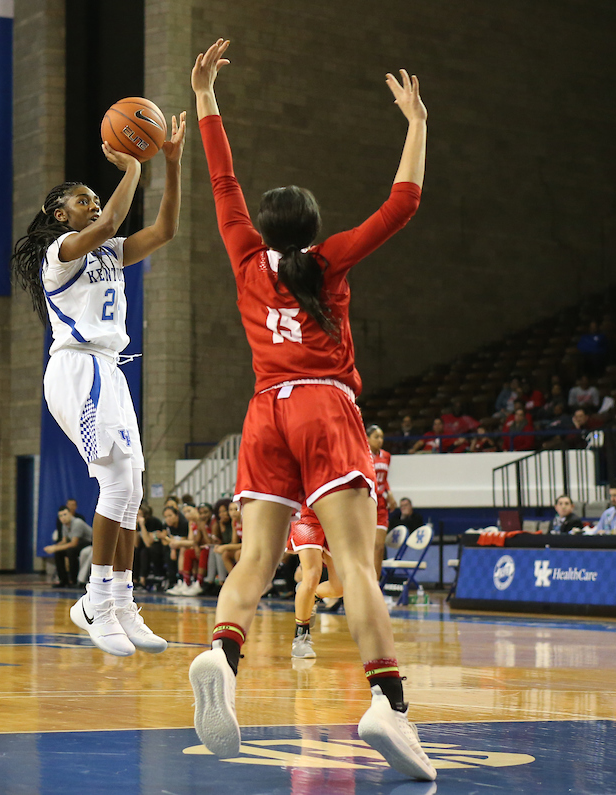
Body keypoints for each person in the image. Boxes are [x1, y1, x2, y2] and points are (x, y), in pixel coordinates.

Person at [185, 39, 435, 780]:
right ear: (314, 226)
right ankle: (387, 702)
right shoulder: (329, 262)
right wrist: (415, 122)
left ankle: (223, 656)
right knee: (357, 562)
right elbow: (404, 203)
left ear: (262, 229)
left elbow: (223, 179)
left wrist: (206, 98)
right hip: (324, 407)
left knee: (257, 558)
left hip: (263, 412)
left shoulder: (241, 253)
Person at [8, 109, 187, 658]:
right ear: (57, 213)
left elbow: (165, 231)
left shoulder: (107, 250)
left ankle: (123, 600)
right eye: (81, 199)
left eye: (92, 197)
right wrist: (132, 168)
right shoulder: (56, 255)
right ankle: (94, 602)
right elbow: (109, 223)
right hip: (77, 367)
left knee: (131, 488)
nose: (91, 205)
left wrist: (172, 165)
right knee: (116, 484)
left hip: (110, 369)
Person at [288, 508, 343, 659]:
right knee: (311, 575)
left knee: (340, 587)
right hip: (308, 513)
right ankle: (301, 638)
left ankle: (311, 597)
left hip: (335, 514)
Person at [367, 425, 397, 576]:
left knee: (379, 546)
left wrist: (390, 494)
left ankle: (376, 585)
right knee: (365, 547)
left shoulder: (387, 456)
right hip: (366, 504)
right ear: (367, 438)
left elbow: (384, 480)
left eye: (381, 437)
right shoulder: (362, 455)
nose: (380, 440)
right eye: (376, 437)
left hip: (381, 504)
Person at [44, 505, 93, 588]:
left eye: (65, 514)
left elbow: (74, 543)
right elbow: (64, 541)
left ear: (70, 514)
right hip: (79, 544)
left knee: (71, 551)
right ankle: (63, 580)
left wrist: (54, 548)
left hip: (89, 543)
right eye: (60, 516)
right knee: (59, 552)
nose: (63, 517)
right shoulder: (65, 525)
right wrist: (53, 547)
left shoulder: (77, 522)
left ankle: (74, 581)